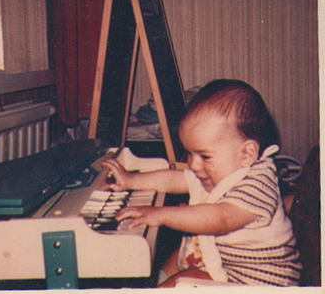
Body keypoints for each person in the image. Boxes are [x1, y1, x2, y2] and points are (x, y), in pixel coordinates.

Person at [102, 79, 302, 287]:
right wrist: (131, 180)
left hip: (260, 281)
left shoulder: (259, 182)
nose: (194, 165)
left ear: (247, 153)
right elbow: (176, 178)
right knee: (177, 256)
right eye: (189, 153)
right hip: (230, 264)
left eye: (205, 156)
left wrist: (159, 214)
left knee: (182, 280)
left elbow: (220, 218)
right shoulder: (221, 168)